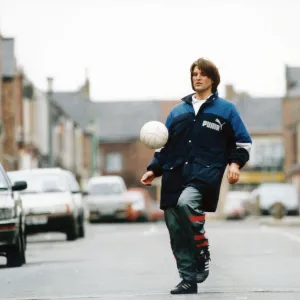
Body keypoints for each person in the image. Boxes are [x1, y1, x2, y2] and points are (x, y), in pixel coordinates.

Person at [140, 58, 252, 295]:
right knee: (176, 229)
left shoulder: (225, 110)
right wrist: (153, 169)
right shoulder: (178, 112)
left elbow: (242, 143)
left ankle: (202, 249)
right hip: (174, 174)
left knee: (187, 203)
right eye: (194, 74)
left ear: (212, 78)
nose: (197, 78)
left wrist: (234, 164)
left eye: (202, 74)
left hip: (205, 173)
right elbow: (163, 147)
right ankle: (187, 279)